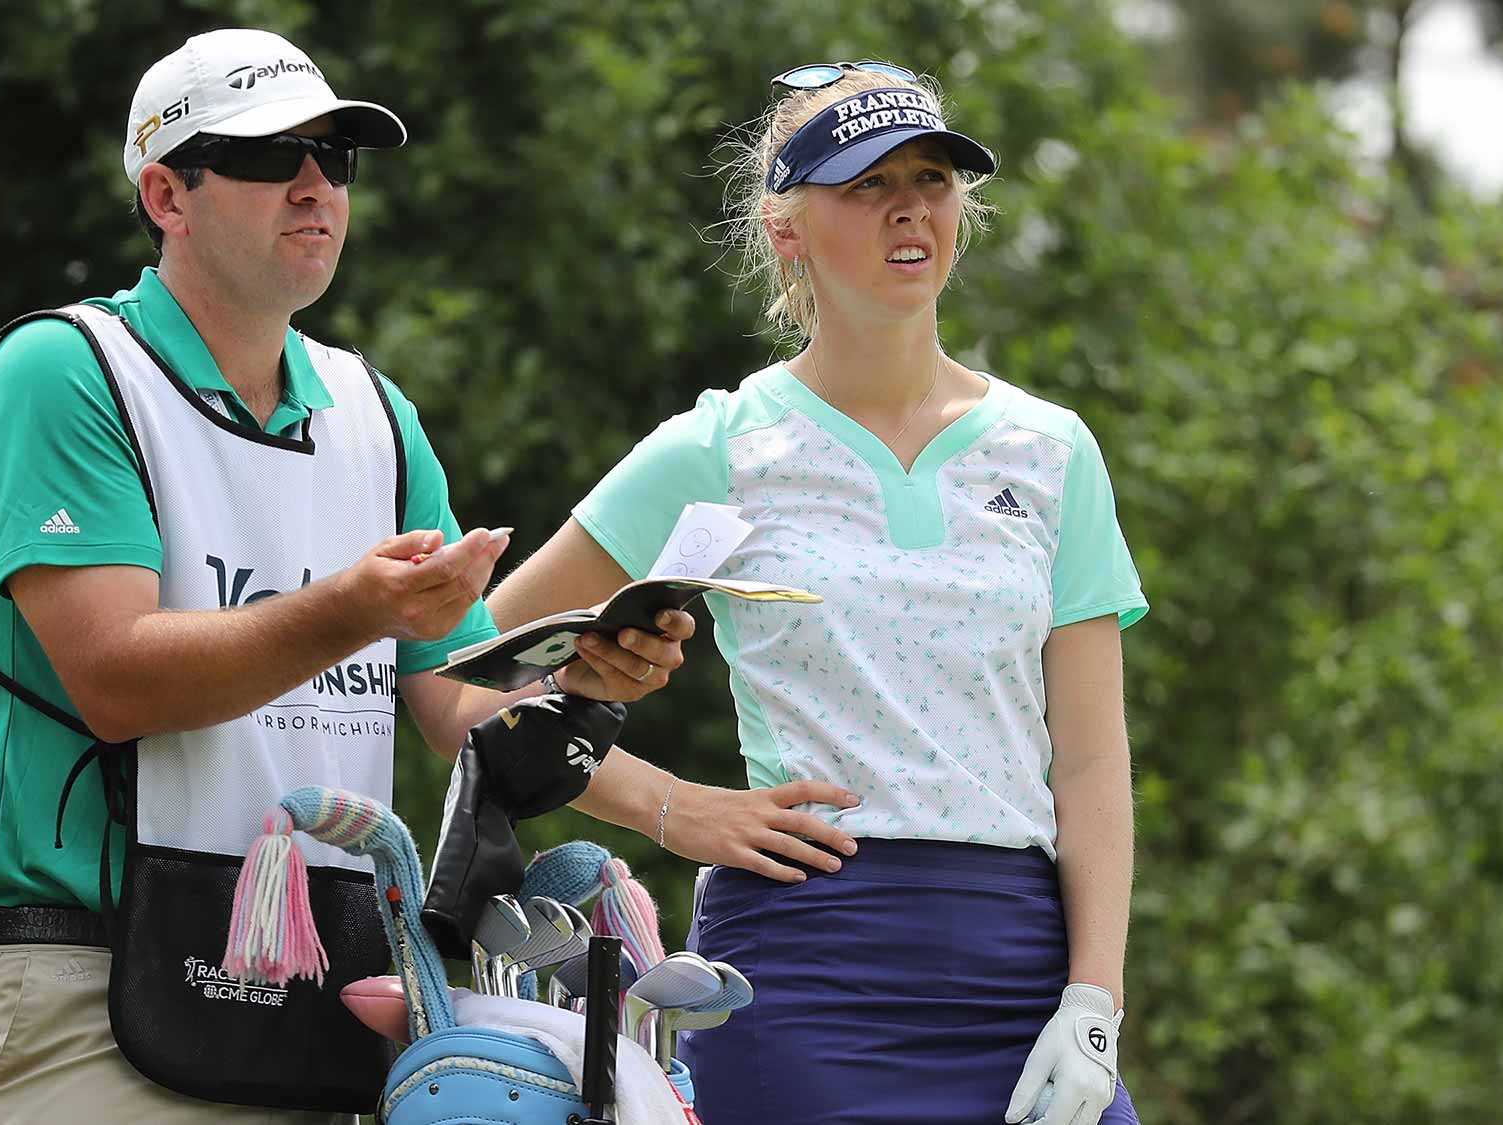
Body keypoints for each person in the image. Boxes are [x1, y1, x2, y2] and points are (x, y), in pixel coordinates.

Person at [0, 29, 691, 1123]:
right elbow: (117, 680)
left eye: (337, 158)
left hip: (328, 986)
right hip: (88, 986)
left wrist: (584, 686)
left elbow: (455, 704)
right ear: (166, 195)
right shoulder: (64, 369)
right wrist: (353, 607)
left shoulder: (374, 415)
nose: (317, 186)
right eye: (271, 156)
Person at [488, 61, 1147, 1124]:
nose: (907, 208)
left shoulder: (1051, 451)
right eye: (862, 183)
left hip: (1025, 971)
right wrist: (670, 807)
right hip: (807, 976)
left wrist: (1093, 999)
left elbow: (1089, 758)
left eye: (929, 178)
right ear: (785, 228)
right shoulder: (718, 448)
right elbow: (462, 678)